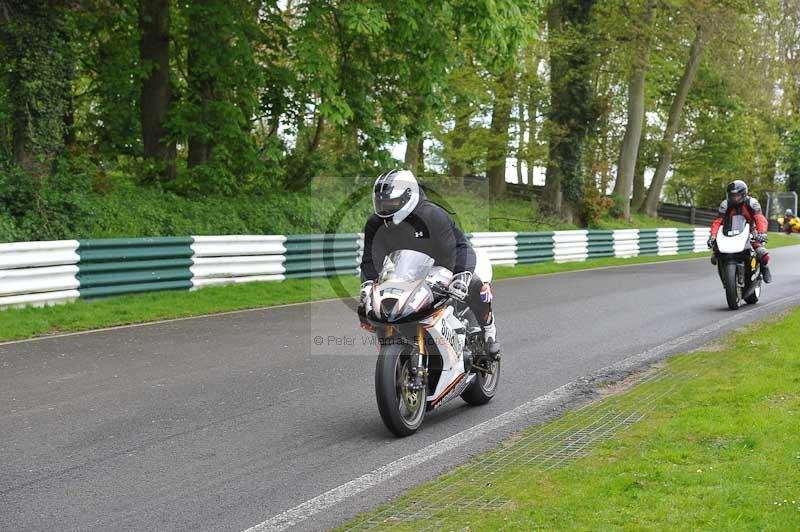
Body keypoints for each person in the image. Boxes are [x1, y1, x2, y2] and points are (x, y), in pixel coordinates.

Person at [357, 169, 500, 358]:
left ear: (409, 196)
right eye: (381, 202)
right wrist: (367, 284)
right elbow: (370, 259)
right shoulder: (375, 223)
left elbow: (460, 247)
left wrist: (461, 276)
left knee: (475, 284)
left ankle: (489, 330)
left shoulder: (433, 215)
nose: (385, 207)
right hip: (404, 271)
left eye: (391, 202)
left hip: (443, 267)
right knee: (374, 309)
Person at [707, 180, 771, 283]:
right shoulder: (725, 205)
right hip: (729, 232)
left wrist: (761, 233)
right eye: (732, 195)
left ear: (744, 194)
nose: (734, 198)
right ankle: (725, 275)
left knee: (761, 252)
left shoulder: (752, 203)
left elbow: (760, 219)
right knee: (716, 254)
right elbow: (718, 222)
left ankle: (764, 267)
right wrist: (713, 236)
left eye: (737, 195)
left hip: (750, 230)